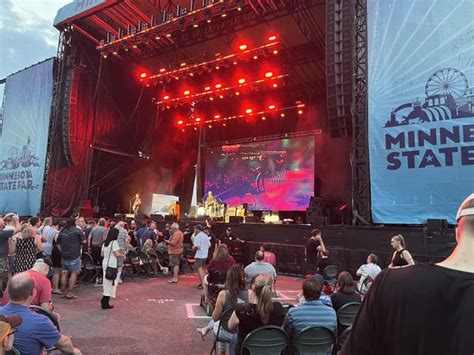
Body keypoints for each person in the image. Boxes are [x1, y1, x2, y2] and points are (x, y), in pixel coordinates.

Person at [341, 193, 474, 355]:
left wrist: (394, 273)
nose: (391, 242)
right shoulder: (389, 279)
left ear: (457, 232)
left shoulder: (390, 284)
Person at [0, 273, 81, 354]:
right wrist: (74, 351)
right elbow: (64, 344)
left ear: (8, 291)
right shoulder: (40, 321)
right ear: (33, 292)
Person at [197, 265, 249, 355]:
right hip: (242, 333)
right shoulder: (250, 293)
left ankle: (222, 352)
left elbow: (215, 317)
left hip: (227, 332)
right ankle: (206, 329)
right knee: (221, 320)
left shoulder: (223, 294)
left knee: (218, 323)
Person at [228, 273, 284, 355]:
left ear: (253, 288)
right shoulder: (278, 308)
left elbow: (230, 326)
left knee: (235, 339)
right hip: (271, 350)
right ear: (270, 289)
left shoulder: (242, 311)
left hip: (248, 352)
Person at [58, 218, 85, 299]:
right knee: (74, 273)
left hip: (64, 255)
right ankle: (69, 292)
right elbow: (84, 241)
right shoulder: (77, 231)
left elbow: (58, 243)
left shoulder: (62, 231)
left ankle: (63, 291)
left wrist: (62, 251)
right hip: (74, 254)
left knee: (64, 273)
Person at [101, 228, 125, 310]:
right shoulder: (114, 242)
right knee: (110, 282)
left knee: (106, 280)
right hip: (111, 263)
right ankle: (105, 301)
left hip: (105, 262)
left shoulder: (105, 242)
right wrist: (123, 255)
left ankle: (105, 300)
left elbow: (102, 253)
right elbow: (117, 254)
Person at [193, 224, 211, 289]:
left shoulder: (197, 236)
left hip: (199, 255)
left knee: (199, 269)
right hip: (205, 254)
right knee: (203, 268)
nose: (194, 230)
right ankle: (204, 282)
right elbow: (209, 245)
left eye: (195, 228)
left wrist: (193, 248)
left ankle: (203, 284)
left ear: (197, 229)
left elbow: (197, 247)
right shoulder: (205, 235)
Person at [0, 218, 14, 296]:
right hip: (2, 257)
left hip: (2, 256)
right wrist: (16, 220)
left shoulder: (4, 233)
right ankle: (2, 294)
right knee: (3, 276)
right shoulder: (3, 234)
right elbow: (17, 229)